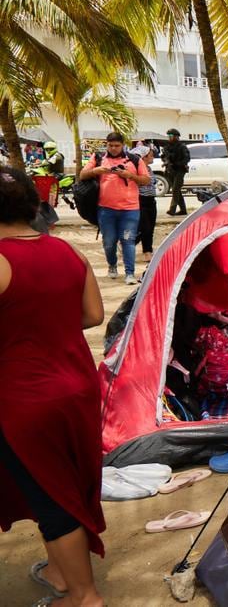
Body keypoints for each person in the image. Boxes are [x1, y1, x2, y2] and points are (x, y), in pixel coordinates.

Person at [0, 166, 106, 607]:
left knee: (50, 496)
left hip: (23, 397)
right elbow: (93, 315)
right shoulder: (67, 250)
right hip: (77, 386)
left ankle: (83, 596)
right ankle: (60, 572)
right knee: (62, 485)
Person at [80, 132, 149, 285]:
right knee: (109, 242)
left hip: (130, 209)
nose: (113, 148)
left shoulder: (134, 159)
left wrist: (129, 175)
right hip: (106, 209)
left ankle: (130, 273)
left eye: (117, 145)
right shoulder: (98, 158)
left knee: (128, 240)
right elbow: (82, 175)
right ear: (106, 144)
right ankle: (112, 265)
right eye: (110, 145)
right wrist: (96, 171)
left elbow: (146, 180)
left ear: (123, 145)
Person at [135, 145, 157, 263]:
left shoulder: (149, 169)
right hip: (141, 200)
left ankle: (148, 250)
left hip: (151, 200)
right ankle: (147, 252)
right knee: (145, 228)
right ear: (143, 157)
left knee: (150, 228)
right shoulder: (137, 169)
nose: (153, 157)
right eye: (150, 155)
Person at [163, 129, 190, 216]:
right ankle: (183, 210)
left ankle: (172, 209)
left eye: (171, 136)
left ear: (176, 137)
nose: (169, 137)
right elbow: (164, 156)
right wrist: (166, 161)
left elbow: (187, 158)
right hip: (170, 170)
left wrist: (177, 164)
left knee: (175, 189)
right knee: (177, 190)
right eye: (168, 136)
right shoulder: (167, 147)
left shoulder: (182, 147)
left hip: (180, 170)